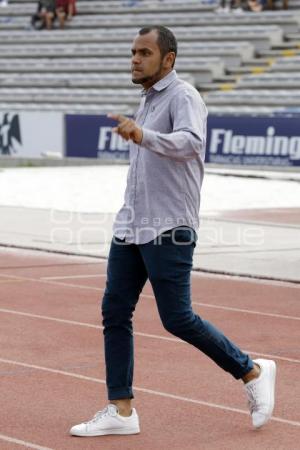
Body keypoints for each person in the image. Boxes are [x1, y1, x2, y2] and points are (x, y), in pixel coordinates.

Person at [70, 26, 276, 438]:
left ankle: (250, 370)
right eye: (132, 52)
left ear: (169, 59)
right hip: (132, 224)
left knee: (177, 318)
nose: (135, 59)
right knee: (114, 312)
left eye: (144, 52)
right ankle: (121, 410)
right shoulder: (146, 100)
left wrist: (142, 134)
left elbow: (189, 143)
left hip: (169, 226)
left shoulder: (184, 96)